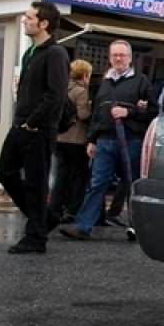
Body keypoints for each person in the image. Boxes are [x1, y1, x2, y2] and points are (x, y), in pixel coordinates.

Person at [61, 39, 158, 242]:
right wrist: (92, 140)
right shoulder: (104, 84)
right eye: (114, 55)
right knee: (97, 183)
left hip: (131, 140)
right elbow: (97, 113)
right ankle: (83, 226)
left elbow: (153, 111)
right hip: (105, 140)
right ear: (110, 57)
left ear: (130, 58)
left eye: (122, 55)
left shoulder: (142, 82)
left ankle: (137, 227)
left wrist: (129, 111)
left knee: (132, 184)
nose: (118, 58)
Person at [0, 1, 70, 254]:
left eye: (29, 17)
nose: (25, 20)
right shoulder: (31, 53)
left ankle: (36, 238)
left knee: (36, 183)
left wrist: (34, 121)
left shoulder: (55, 53)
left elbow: (55, 94)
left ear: (44, 23)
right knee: (4, 172)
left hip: (38, 129)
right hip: (21, 125)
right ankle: (43, 219)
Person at [49, 58, 93, 223]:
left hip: (59, 137)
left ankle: (55, 207)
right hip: (76, 138)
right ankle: (73, 209)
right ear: (84, 75)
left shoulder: (61, 88)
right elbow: (83, 115)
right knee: (81, 174)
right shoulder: (80, 91)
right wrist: (90, 108)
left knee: (62, 173)